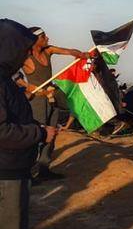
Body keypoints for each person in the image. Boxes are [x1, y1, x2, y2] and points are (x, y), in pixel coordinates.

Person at [0, 20, 59, 229]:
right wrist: (38, 134)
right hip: (3, 176)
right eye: (23, 47)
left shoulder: (7, 81)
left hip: (16, 173)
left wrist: (36, 130)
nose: (28, 54)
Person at [18, 27, 86, 182]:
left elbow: (69, 51)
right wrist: (27, 86)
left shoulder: (48, 51)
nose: (47, 38)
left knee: (52, 133)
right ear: (35, 40)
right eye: (43, 36)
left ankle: (44, 169)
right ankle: (27, 173)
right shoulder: (25, 56)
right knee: (36, 134)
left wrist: (82, 55)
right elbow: (12, 73)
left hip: (51, 98)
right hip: (36, 101)